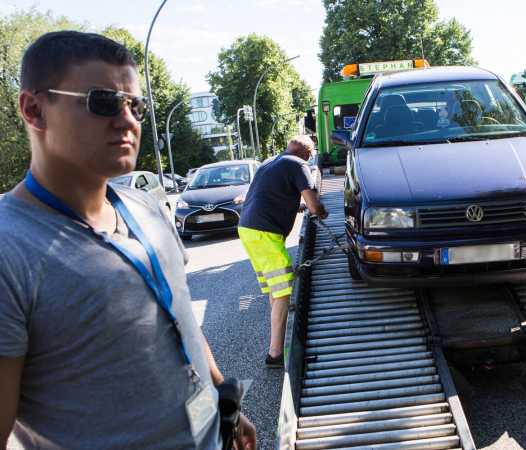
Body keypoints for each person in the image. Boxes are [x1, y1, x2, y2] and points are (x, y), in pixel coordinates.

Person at [0, 31, 256, 449]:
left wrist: (225, 403)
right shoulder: (9, 248)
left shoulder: (146, 208)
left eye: (136, 105)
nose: (127, 120)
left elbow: (180, 317)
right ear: (34, 110)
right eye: (103, 102)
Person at [238, 135, 327, 368]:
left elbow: (267, 195)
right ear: (307, 153)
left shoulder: (270, 162)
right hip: (265, 232)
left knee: (275, 290)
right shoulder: (299, 165)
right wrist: (321, 211)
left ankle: (280, 343)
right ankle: (275, 354)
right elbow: (315, 205)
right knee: (284, 289)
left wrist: (294, 206)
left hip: (248, 229)